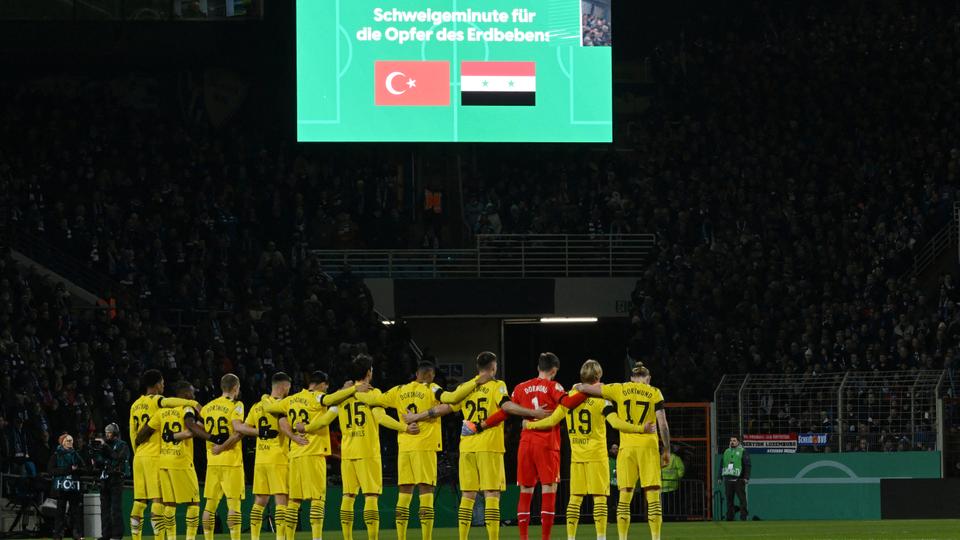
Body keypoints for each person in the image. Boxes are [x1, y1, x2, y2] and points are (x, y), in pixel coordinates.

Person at [462, 352, 587, 540]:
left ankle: (523, 537)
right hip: (547, 442)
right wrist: (585, 390)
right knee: (548, 489)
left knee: (526, 491)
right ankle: (545, 537)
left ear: (538, 368)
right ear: (554, 370)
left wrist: (480, 425)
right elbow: (568, 403)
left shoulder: (521, 387)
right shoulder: (554, 386)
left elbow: (504, 412)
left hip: (526, 443)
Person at [523, 359, 652, 540]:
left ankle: (571, 538)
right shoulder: (602, 399)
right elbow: (614, 423)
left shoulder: (569, 396)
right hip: (597, 455)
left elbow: (552, 420)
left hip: (577, 456)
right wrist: (640, 429)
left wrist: (529, 425)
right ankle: (600, 537)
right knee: (599, 498)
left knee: (574, 499)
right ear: (598, 376)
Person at [441, 351, 546, 540]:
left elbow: (447, 407)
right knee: (491, 493)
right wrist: (534, 412)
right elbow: (506, 407)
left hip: (466, 447)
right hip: (489, 446)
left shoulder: (466, 387)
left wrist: (420, 416)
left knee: (467, 495)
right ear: (493, 367)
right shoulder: (497, 385)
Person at [576, 361, 671, 540]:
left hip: (626, 449)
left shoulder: (619, 388)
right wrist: (666, 449)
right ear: (648, 378)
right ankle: (656, 537)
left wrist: (579, 386)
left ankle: (622, 538)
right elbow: (663, 425)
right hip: (648, 448)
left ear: (632, 378)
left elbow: (587, 389)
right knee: (653, 497)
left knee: (624, 497)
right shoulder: (655, 392)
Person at [363, 361, 456, 540]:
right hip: (425, 446)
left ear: (416, 374)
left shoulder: (399, 390)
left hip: (405, 447)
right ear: (432, 376)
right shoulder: (432, 388)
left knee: (404, 493)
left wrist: (360, 390)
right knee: (426, 490)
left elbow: (376, 400)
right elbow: (449, 404)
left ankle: (401, 536)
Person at [264, 371, 359, 540]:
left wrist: (265, 397)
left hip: (295, 454)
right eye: (326, 387)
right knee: (317, 498)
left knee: (294, 500)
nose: (326, 390)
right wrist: (351, 389)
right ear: (322, 384)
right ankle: (316, 538)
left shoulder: (290, 400)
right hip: (313, 453)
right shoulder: (317, 397)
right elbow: (329, 401)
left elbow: (269, 407)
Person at [337, 354, 417, 540]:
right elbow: (381, 418)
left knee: (347, 496)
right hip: (367, 450)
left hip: (347, 451)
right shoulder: (373, 393)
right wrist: (404, 427)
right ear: (368, 372)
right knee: (370, 496)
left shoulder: (342, 395)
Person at [128, 369, 201, 540]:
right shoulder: (157, 400)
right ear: (155, 385)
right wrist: (193, 404)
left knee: (139, 501)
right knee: (158, 500)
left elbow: (133, 433)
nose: (163, 385)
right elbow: (170, 401)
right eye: (161, 382)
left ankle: (135, 538)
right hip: (155, 455)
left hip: (139, 457)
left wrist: (136, 452)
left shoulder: (135, 405)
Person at [238, 372, 306, 540]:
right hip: (278, 458)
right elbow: (283, 425)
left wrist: (259, 432)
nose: (289, 389)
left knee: (260, 500)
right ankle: (281, 538)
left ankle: (254, 537)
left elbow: (244, 428)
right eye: (288, 386)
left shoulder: (256, 406)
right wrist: (295, 436)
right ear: (283, 386)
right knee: (282, 499)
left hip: (260, 459)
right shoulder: (282, 405)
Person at [201, 374, 247, 540]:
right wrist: (221, 447)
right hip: (231, 461)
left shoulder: (207, 407)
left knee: (209, 506)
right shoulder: (237, 405)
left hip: (212, 463)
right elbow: (238, 432)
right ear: (235, 388)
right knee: (233, 504)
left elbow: (199, 428)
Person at [94, 423, 130, 540]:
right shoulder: (103, 446)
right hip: (104, 479)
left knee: (115, 509)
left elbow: (119, 457)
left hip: (116, 479)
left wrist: (106, 450)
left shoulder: (122, 445)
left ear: (115, 433)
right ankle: (105, 535)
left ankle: (117, 535)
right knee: (104, 509)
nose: (107, 435)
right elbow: (99, 460)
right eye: (106, 432)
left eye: (109, 432)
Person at [49, 433, 84, 540]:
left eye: (71, 440)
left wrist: (76, 470)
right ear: (62, 442)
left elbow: (84, 467)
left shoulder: (75, 454)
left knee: (75, 511)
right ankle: (58, 534)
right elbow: (51, 470)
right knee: (60, 511)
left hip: (73, 485)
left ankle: (77, 534)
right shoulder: (56, 455)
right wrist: (68, 470)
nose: (70, 442)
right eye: (68, 440)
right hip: (61, 486)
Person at [721, 436, 751, 521]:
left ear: (738, 442)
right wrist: (719, 477)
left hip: (739, 480)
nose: (732, 442)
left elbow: (747, 465)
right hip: (728, 479)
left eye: (734, 440)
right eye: (731, 440)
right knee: (729, 500)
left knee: (742, 499)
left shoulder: (742, 451)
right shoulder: (726, 451)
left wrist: (746, 477)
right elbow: (722, 464)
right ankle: (730, 517)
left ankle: (743, 517)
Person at [660, 447, 685, 519]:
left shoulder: (659, 458)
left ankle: (665, 518)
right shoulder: (675, 458)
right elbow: (681, 468)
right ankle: (671, 518)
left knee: (664, 505)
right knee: (672, 505)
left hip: (663, 486)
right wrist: (678, 477)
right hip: (672, 486)